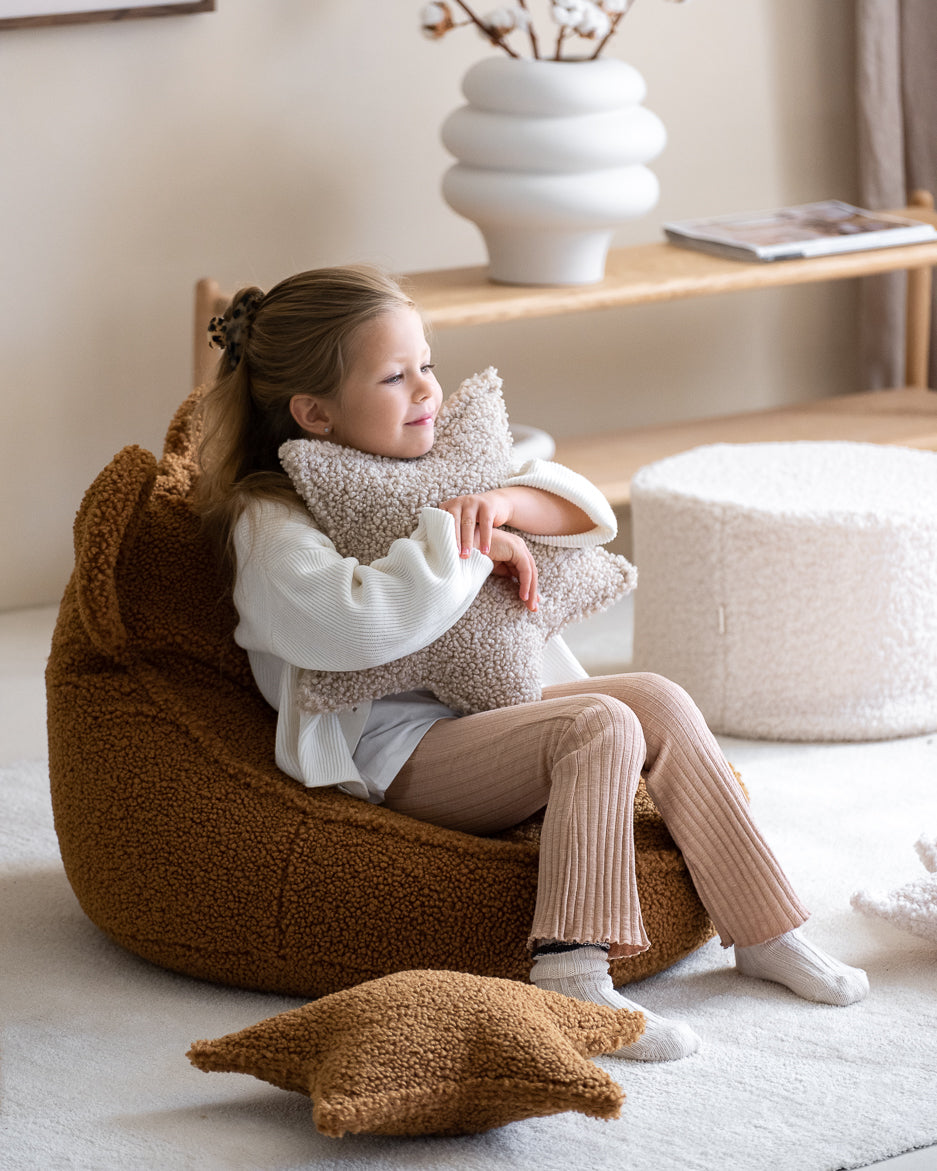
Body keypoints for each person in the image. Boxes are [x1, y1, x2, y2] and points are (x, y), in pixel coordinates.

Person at [193, 266, 869, 1063]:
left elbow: (579, 505)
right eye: (393, 376)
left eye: (427, 365)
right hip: (396, 755)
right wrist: (468, 546)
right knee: (597, 724)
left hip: (484, 715)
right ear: (315, 412)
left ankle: (763, 928)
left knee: (655, 695)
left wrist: (504, 507)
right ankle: (572, 971)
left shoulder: (433, 454)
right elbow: (360, 622)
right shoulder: (269, 520)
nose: (425, 391)